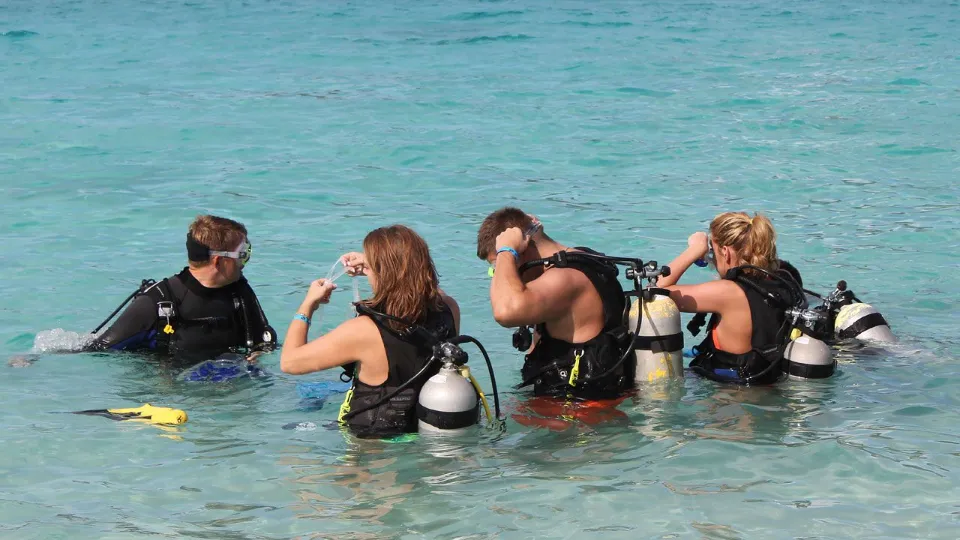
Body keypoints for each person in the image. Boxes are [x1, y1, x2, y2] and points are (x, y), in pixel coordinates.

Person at [280, 225, 461, 438]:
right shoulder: (449, 309)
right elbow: (423, 286)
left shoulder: (365, 331)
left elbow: (289, 362)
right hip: (426, 429)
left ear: (384, 274)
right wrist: (372, 262)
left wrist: (308, 304)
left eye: (371, 268)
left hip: (373, 445)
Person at [476, 207, 633, 400]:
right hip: (572, 399)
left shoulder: (564, 279)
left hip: (580, 409)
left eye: (496, 267)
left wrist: (506, 252)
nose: (497, 275)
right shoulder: (577, 259)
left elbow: (504, 311)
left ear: (521, 250)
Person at [86, 215, 277, 364]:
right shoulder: (155, 303)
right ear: (219, 261)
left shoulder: (240, 294)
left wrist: (258, 354)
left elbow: (264, 341)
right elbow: (98, 351)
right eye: (242, 255)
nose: (244, 262)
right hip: (171, 392)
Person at [658, 211, 802, 385]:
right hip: (771, 381)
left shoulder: (727, 293)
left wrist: (694, 250)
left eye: (713, 252)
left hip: (732, 395)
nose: (712, 259)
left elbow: (656, 293)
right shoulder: (786, 276)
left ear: (725, 252)